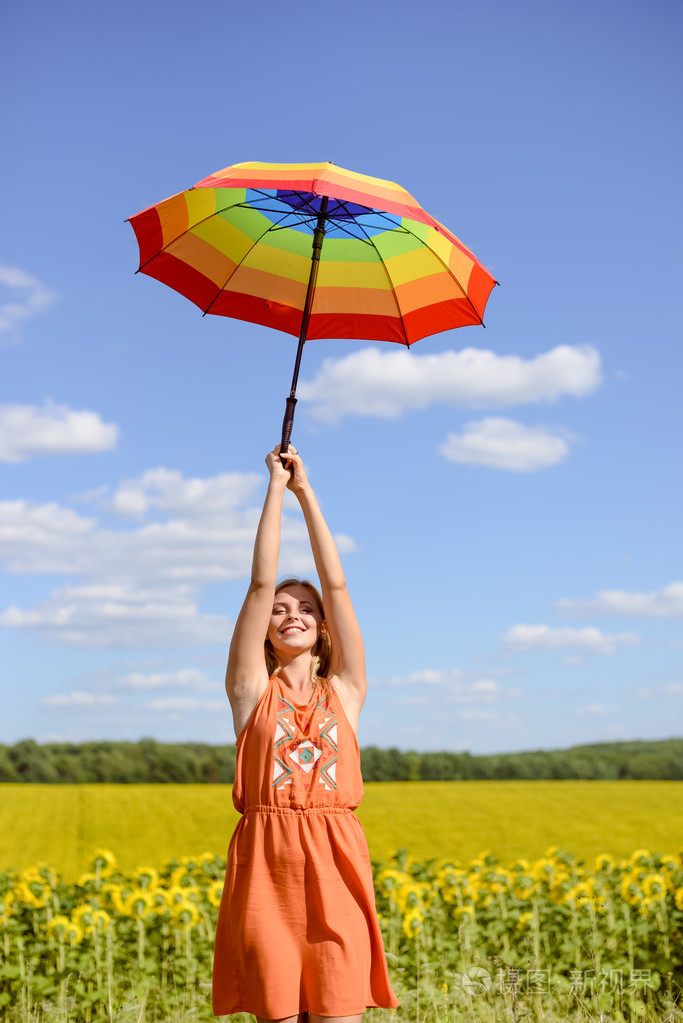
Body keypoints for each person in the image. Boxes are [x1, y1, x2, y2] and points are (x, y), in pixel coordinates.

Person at [212, 445, 399, 1023]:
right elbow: (259, 583)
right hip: (266, 867)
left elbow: (338, 587)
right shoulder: (251, 693)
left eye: (307, 610)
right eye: (280, 610)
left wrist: (305, 492)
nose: (291, 613)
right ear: (266, 631)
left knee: (340, 1011)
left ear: (322, 631)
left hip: (337, 860)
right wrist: (273, 487)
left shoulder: (345, 690)